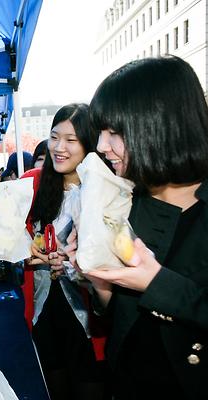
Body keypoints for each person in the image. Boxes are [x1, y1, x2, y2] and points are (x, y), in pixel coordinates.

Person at [83, 56, 208, 399]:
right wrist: (100, 281)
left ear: (161, 125)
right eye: (101, 132)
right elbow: (122, 317)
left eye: (115, 132)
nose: (100, 146)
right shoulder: (128, 202)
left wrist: (158, 283)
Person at [21, 104, 105, 400]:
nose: (59, 148)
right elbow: (4, 226)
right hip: (45, 307)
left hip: (87, 315)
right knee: (53, 388)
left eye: (71, 140)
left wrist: (76, 262)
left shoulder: (105, 191)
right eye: (55, 137)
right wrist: (26, 247)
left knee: (88, 386)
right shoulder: (35, 181)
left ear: (89, 143)